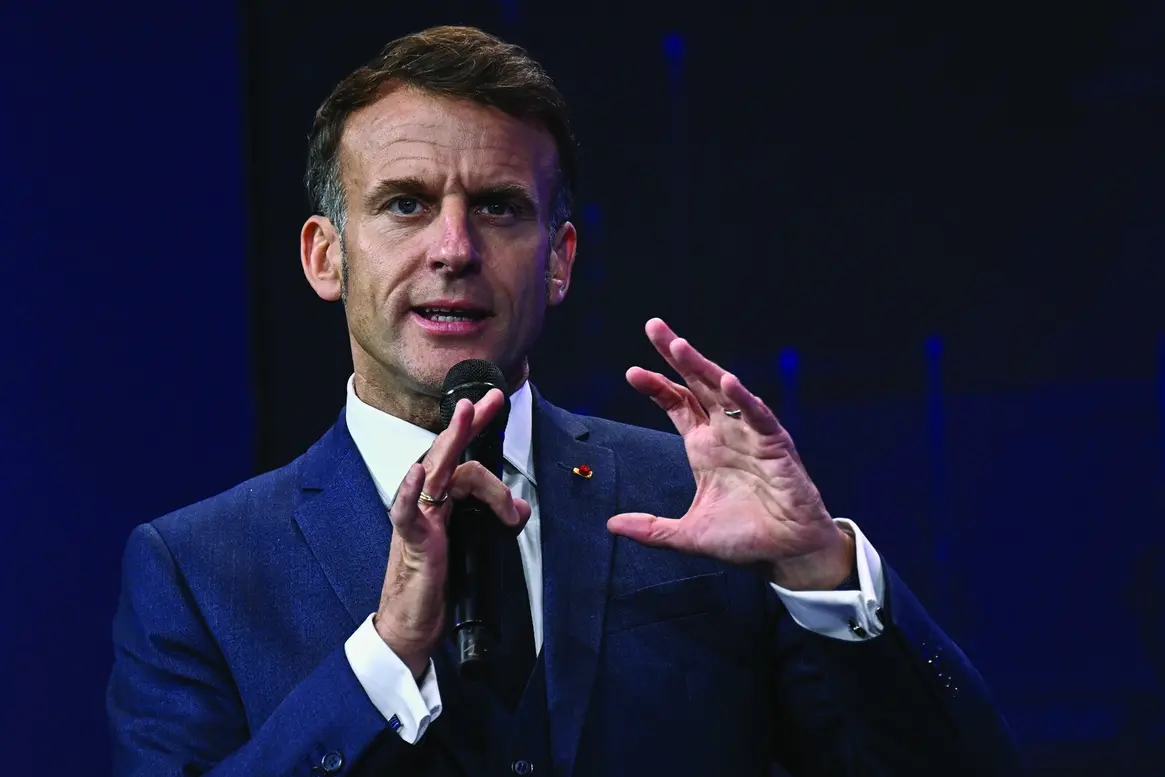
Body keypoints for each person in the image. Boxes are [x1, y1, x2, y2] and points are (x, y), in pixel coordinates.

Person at [107, 25, 1020, 777]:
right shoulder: (198, 569)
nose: (455, 248)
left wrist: (821, 570)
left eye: (501, 207)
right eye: (405, 205)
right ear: (324, 256)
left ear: (559, 260)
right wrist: (383, 655)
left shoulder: (692, 500)